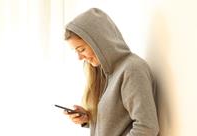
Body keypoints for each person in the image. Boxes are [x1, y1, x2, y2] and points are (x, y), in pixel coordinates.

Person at [63, 8, 159, 136]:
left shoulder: (132, 69)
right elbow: (117, 124)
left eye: (81, 49)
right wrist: (88, 119)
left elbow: (147, 128)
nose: (80, 58)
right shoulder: (105, 73)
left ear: (99, 42)